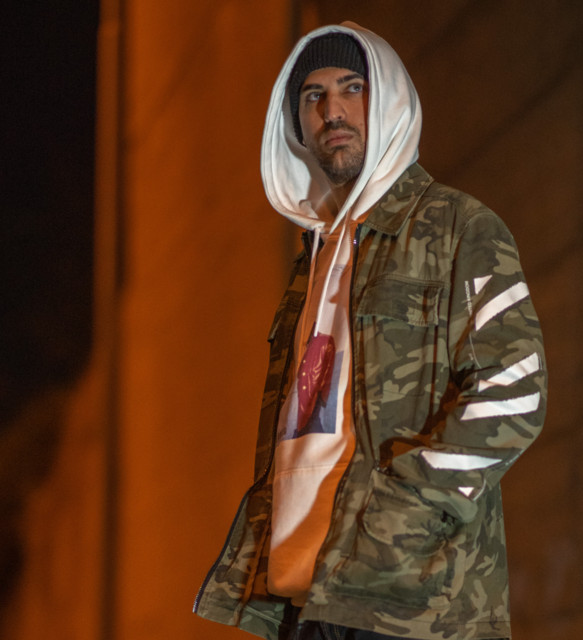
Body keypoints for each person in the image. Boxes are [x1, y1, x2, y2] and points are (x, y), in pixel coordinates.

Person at [194, 22, 546, 640]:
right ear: (296, 123)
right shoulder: (312, 261)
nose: (332, 110)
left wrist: (401, 520)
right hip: (305, 598)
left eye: (351, 87)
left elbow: (515, 387)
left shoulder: (457, 227)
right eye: (313, 95)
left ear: (388, 100)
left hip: (412, 603)